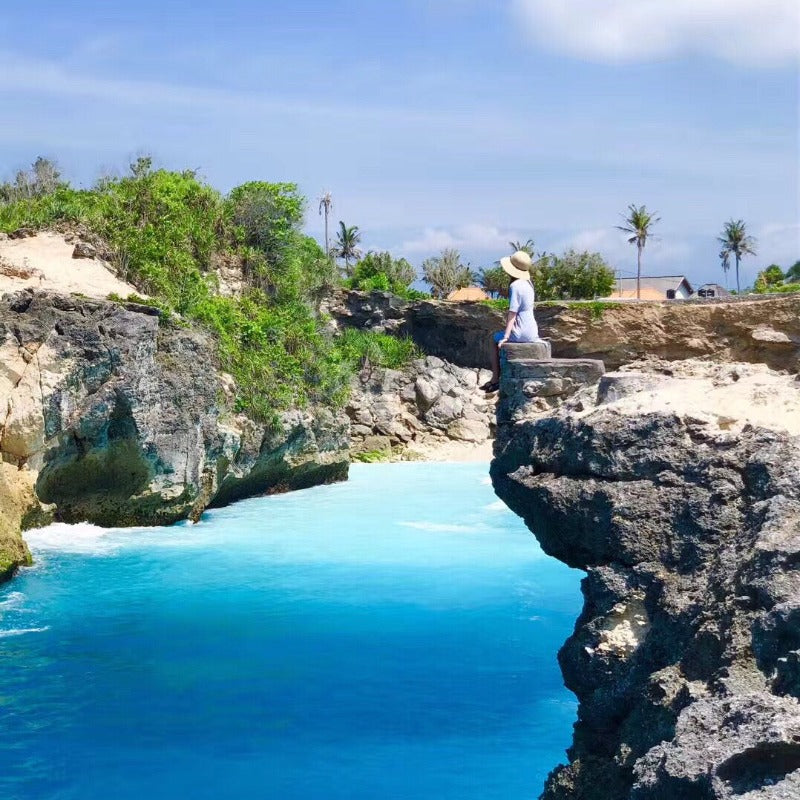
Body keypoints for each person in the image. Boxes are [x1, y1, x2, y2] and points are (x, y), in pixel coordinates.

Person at [480, 250, 539, 392]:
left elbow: (512, 313)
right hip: (532, 332)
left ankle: (495, 379)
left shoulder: (515, 286)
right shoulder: (529, 284)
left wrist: (506, 337)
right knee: (498, 336)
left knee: (494, 339)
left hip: (520, 333)